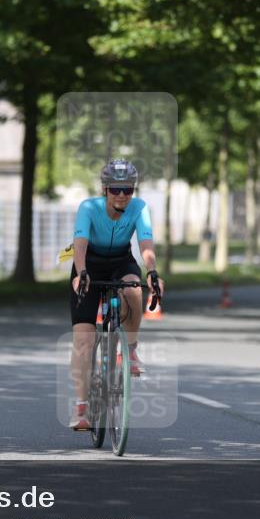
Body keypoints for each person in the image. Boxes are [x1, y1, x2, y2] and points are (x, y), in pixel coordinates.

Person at [68, 159, 165, 431]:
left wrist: (152, 272)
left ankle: (131, 351)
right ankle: (82, 408)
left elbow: (145, 242)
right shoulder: (88, 208)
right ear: (105, 189)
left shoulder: (139, 208)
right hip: (89, 263)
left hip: (121, 262)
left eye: (128, 190)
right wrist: (82, 272)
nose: (122, 195)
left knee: (134, 290)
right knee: (83, 340)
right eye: (116, 189)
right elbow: (80, 244)